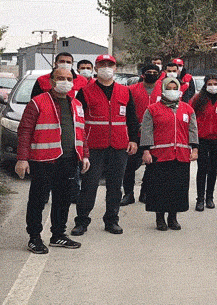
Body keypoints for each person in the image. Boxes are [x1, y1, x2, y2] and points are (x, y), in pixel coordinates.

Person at [16, 67, 90, 253]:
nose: (65, 81)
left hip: (68, 160)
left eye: (68, 78)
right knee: (38, 200)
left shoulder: (77, 105)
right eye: (60, 78)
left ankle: (58, 235)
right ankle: (34, 238)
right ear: (51, 81)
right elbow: (25, 131)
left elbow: (81, 132)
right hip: (43, 161)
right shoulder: (37, 102)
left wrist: (85, 155)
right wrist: (22, 159)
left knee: (63, 200)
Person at [71, 54, 139, 236]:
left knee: (115, 186)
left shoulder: (125, 91)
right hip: (94, 146)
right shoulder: (85, 92)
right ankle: (82, 221)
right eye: (103, 64)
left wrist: (133, 140)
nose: (106, 68)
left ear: (115, 68)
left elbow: (132, 118)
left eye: (110, 65)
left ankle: (112, 220)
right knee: (89, 185)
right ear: (96, 68)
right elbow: (78, 119)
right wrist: (80, 146)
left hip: (119, 146)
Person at [140, 77, 199, 231]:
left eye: (175, 88)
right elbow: (146, 131)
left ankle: (173, 218)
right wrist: (146, 151)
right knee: (160, 188)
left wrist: (195, 149)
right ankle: (160, 218)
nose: (172, 91)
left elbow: (193, 130)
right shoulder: (152, 109)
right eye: (169, 88)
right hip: (159, 156)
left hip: (181, 156)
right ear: (163, 90)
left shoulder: (187, 109)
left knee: (177, 189)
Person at [121, 64, 162, 206]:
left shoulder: (163, 89)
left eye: (154, 72)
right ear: (142, 74)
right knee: (130, 166)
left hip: (156, 135)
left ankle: (145, 192)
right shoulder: (131, 90)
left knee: (152, 166)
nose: (151, 74)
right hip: (135, 133)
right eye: (148, 72)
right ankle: (128, 193)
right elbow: (126, 112)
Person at [190, 74, 217, 211]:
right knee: (202, 169)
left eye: (215, 84)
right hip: (201, 139)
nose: (212, 86)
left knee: (213, 169)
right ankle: (200, 199)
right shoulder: (198, 99)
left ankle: (210, 198)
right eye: (210, 84)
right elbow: (190, 116)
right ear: (205, 85)